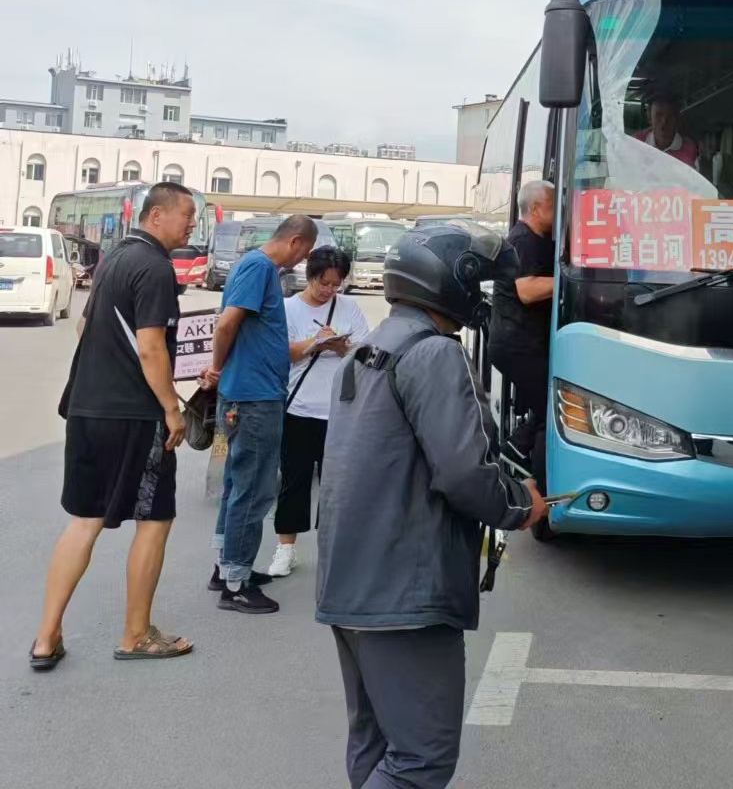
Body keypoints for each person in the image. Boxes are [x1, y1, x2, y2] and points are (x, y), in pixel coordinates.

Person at [316, 222, 548, 789]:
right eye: (479, 284)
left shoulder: (373, 345)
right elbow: (466, 473)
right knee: (421, 760)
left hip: (351, 584)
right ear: (452, 282)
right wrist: (523, 505)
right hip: (405, 593)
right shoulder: (434, 354)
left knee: (374, 748)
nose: (484, 298)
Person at [31, 182, 197, 669]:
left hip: (86, 406)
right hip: (133, 415)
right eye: (186, 214)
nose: (191, 224)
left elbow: (85, 328)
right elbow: (151, 347)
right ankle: (136, 634)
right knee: (155, 518)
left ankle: (46, 637)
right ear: (158, 215)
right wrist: (171, 407)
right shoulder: (155, 267)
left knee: (85, 520)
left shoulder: (115, 259)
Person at [202, 214, 317, 614]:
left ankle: (227, 567)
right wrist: (216, 368)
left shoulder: (252, 265)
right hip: (253, 397)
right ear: (296, 242)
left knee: (239, 484)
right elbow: (227, 324)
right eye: (305, 252)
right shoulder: (259, 267)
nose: (303, 261)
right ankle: (235, 581)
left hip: (250, 393)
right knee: (254, 487)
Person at [266, 246, 369, 578]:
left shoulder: (349, 308)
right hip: (298, 408)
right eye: (324, 283)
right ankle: (286, 549)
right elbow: (281, 353)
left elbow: (366, 354)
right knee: (293, 482)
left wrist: (342, 347)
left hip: (339, 411)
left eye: (336, 284)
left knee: (336, 486)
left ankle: (332, 552)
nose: (329, 290)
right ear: (309, 276)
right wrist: (314, 343)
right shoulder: (287, 308)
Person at [489, 180, 555, 488]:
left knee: (543, 401)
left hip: (524, 343)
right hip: (516, 344)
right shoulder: (522, 240)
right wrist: (567, 280)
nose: (558, 211)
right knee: (551, 401)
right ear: (536, 208)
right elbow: (527, 291)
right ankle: (515, 449)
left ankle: (518, 449)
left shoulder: (539, 238)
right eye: (553, 205)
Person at [635, 95, 698, 168]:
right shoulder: (636, 144)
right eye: (659, 115)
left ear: (677, 119)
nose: (664, 122)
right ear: (649, 117)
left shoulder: (690, 150)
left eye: (670, 116)